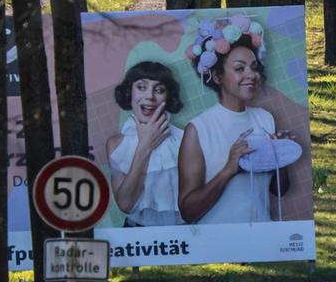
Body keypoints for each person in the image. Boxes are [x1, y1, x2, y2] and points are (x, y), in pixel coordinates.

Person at [177, 16, 289, 224]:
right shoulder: (199, 129)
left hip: (260, 242)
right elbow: (187, 211)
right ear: (217, 76)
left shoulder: (265, 118)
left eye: (254, 67)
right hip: (215, 247)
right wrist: (229, 169)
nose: (251, 75)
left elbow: (279, 191)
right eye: (239, 68)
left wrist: (280, 156)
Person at [104, 60, 186, 226]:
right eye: (141, 87)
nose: (150, 96)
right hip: (137, 239)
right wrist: (145, 145)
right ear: (130, 92)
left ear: (168, 96)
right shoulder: (115, 144)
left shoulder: (184, 139)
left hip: (184, 237)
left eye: (159, 90)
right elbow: (126, 204)